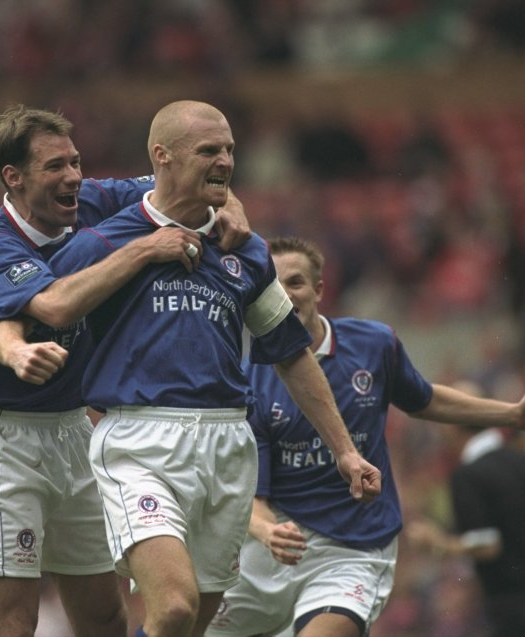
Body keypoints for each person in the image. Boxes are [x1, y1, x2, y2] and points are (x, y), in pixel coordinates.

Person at [44, 100, 382, 637]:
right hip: (139, 441)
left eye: (229, 149)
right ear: (163, 156)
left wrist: (344, 450)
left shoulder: (245, 252)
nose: (225, 160)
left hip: (227, 445)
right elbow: (44, 305)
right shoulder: (105, 240)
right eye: (208, 150)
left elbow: (292, 353)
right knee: (172, 606)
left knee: (192, 625)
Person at [0, 104, 250, 637]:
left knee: (106, 617)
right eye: (54, 167)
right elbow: (39, 313)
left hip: (76, 433)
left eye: (75, 162)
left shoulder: (90, 200)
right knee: (14, 620)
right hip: (6, 438)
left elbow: (188, 178)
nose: (72, 177)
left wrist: (234, 207)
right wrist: (18, 354)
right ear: (14, 179)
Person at [205, 236, 525, 637]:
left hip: (352, 549)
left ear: (319, 290)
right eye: (274, 286)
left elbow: (423, 399)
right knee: (178, 620)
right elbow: (254, 498)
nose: (286, 296)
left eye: (296, 283)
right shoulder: (247, 380)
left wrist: (512, 414)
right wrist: (269, 532)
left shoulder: (372, 345)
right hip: (275, 546)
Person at [406, 380, 525, 637]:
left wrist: (438, 543)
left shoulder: (467, 476)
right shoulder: (524, 461)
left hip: (511, 610)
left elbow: (487, 545)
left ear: (452, 424)